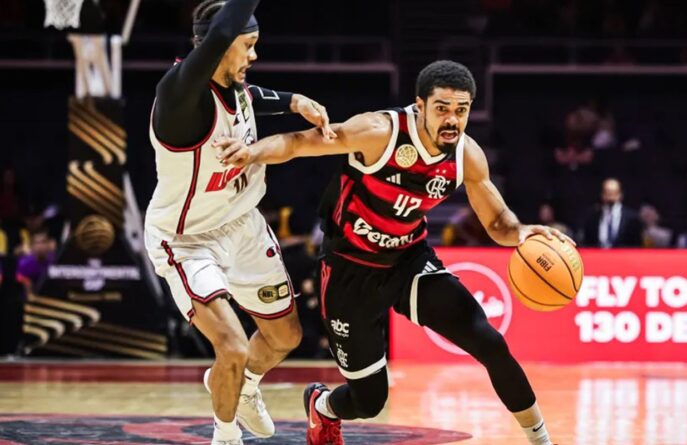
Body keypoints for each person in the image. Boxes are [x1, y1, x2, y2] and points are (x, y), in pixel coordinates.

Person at [214, 60, 570, 445]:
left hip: (408, 262)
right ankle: (323, 406)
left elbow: (498, 222)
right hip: (350, 269)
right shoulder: (379, 131)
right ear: (420, 106)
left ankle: (541, 439)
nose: (452, 120)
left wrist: (521, 232)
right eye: (442, 109)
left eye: (461, 110)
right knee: (369, 401)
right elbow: (300, 143)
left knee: (490, 342)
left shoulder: (466, 154)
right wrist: (251, 152)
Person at [142, 1, 335, 443]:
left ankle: (242, 387)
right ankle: (226, 434)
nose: (253, 55)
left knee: (285, 336)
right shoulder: (178, 95)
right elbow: (220, 37)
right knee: (231, 345)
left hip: (242, 226)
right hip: (187, 240)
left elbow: (251, 99)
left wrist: (294, 101)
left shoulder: (235, 87)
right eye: (247, 46)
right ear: (219, 45)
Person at [580, 178, 642, 248]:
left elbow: (636, 245)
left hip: (624, 256)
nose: (610, 196)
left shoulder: (632, 218)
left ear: (620, 194)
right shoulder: (593, 217)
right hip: (598, 256)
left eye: (614, 192)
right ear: (602, 194)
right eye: (607, 192)